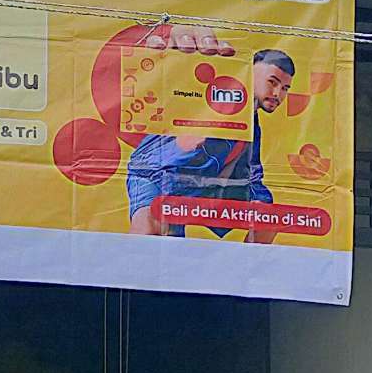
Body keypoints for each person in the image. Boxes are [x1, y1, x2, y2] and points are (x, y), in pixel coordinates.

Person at [126, 45, 295, 241]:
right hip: (155, 172)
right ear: (250, 73)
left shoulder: (251, 125)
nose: (277, 93)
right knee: (150, 229)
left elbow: (251, 169)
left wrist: (261, 202)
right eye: (272, 82)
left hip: (203, 183)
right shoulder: (209, 93)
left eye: (285, 88)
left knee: (267, 217)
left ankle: (245, 262)